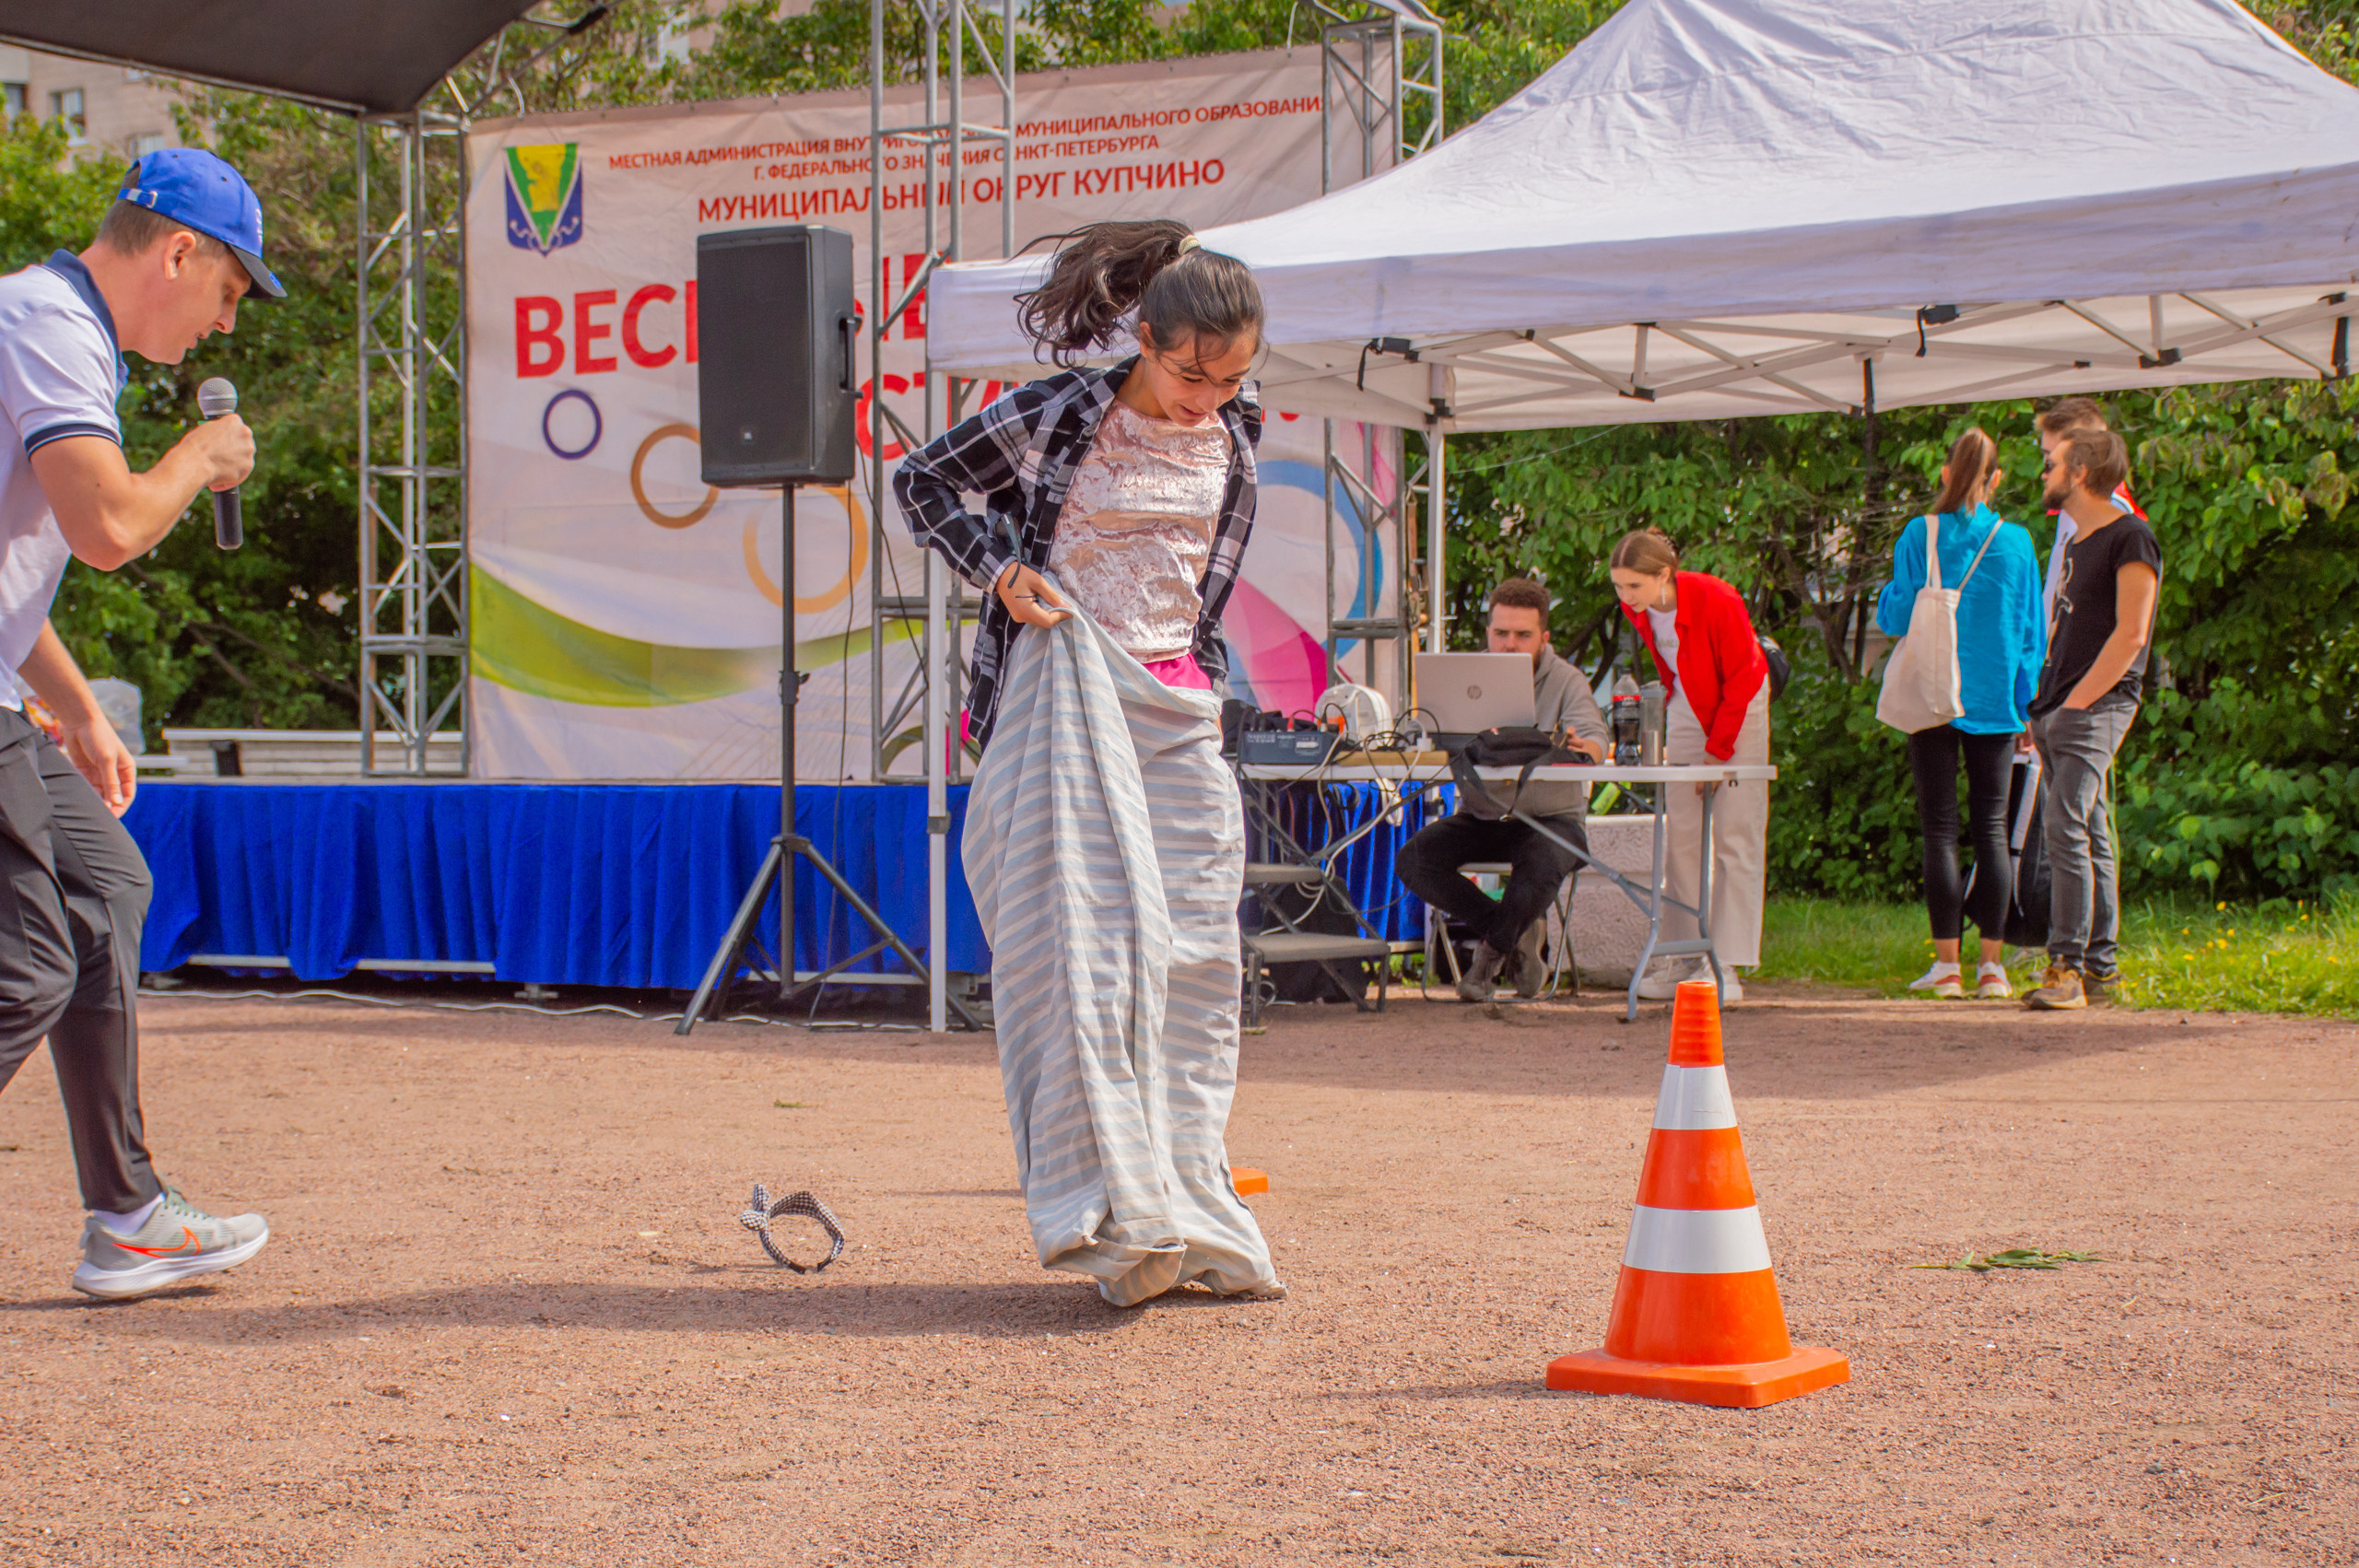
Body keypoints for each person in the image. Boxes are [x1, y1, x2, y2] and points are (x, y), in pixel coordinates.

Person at [895, 220, 1282, 1305]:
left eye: (1230, 378)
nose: (1208, 398)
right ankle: (1109, 1215)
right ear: (1142, 339)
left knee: (1195, 962)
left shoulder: (1236, 424)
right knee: (1081, 958)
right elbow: (922, 482)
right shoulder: (1059, 412)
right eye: (1190, 373)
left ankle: (1186, 1204)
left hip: (1178, 705)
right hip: (1067, 692)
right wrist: (1000, 569)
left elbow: (1200, 571)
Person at [0, 148, 280, 1299]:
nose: (225, 323)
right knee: (28, 964)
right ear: (178, 252)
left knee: (106, 886)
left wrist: (76, 710)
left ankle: (127, 1215)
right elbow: (111, 528)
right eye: (229, 290)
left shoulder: (59, 330)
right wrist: (201, 454)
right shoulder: (45, 320)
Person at [1872, 428, 2045, 1000]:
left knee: (1939, 830)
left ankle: (1947, 967)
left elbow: (1895, 616)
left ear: (1946, 472)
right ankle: (1992, 968)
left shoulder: (1920, 534)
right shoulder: (2017, 543)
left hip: (1931, 696)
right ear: (1997, 479)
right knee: (1992, 829)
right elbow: (2030, 632)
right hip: (1996, 701)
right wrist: (2025, 704)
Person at [1397, 578, 1607, 1003]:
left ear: (1544, 638)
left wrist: (1585, 747)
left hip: (1551, 819)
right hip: (1484, 815)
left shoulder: (1567, 680)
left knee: (1541, 860)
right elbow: (1425, 731)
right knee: (1414, 860)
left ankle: (1487, 961)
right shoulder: (1465, 677)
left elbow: (1595, 739)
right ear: (1488, 632)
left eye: (1523, 635)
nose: (1510, 644)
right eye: (1501, 633)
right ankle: (1513, 936)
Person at [2023, 427, 2161, 1012]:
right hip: (2060, 704)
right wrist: (2043, 702)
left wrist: (2078, 703)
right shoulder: (2080, 541)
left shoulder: (2132, 537)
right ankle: (2100, 969)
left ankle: (2067, 968)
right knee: (2088, 827)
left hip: (2096, 704)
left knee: (2065, 825)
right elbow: (2064, 627)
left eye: (2051, 463)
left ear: (2079, 472)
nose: (2043, 473)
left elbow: (2133, 633)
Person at [1613, 530, 1770, 1006]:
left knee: (1736, 834)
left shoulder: (1717, 598)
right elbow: (1672, 667)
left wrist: (1717, 754)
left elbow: (1742, 678)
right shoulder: (1638, 607)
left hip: (1740, 705)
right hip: (1687, 702)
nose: (1626, 596)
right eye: (1618, 586)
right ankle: (1683, 955)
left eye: (1634, 586)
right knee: (1681, 832)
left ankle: (1726, 963)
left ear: (1665, 574)